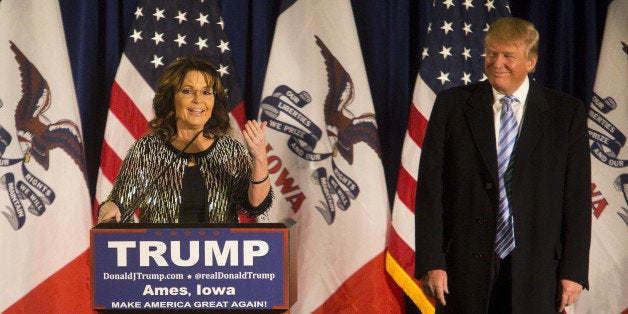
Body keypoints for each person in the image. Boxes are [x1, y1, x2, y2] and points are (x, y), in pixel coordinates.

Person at [414, 17, 591, 313]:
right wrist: (432, 262)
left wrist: (573, 271)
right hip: (463, 266)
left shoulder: (565, 113)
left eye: (508, 56)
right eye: (491, 54)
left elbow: (576, 199)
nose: (497, 63)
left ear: (531, 62)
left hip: (537, 268)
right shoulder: (452, 106)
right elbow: (431, 191)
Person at [98, 56, 272, 224]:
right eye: (187, 91)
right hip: (159, 251)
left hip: (218, 251)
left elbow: (256, 206)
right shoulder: (148, 149)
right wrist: (110, 206)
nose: (198, 100)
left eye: (206, 92)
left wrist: (259, 157)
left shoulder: (229, 150)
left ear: (214, 100)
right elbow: (119, 202)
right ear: (172, 98)